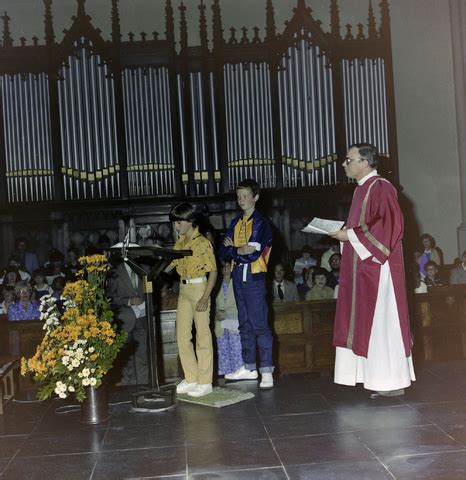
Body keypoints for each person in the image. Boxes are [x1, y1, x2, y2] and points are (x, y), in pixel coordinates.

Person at [329, 143, 415, 398]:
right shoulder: (362, 190)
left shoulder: (381, 187)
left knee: (382, 323)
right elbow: (364, 227)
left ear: (365, 162)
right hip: (364, 267)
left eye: (349, 159)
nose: (345, 164)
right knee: (372, 324)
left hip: (380, 270)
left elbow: (388, 225)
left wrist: (349, 235)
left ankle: (392, 381)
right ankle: (379, 380)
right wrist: (347, 235)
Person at [219, 179, 274, 389]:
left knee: (259, 324)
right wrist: (237, 249)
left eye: (245, 196)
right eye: (238, 196)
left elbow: (253, 253)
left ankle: (266, 370)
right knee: (244, 324)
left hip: (254, 278)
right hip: (237, 278)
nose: (241, 200)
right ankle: (250, 367)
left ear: (255, 197)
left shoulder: (261, 222)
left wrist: (236, 249)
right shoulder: (235, 222)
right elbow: (224, 250)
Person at [165, 202, 217, 397]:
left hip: (199, 288)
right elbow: (171, 264)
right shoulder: (180, 242)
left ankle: (205, 382)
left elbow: (213, 272)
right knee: (182, 336)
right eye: (175, 223)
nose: (176, 226)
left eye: (178, 223)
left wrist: (205, 297)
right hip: (184, 289)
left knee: (203, 336)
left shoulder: (203, 243)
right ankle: (192, 377)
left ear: (190, 221)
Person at [106, 258, 149, 386]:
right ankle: (128, 386)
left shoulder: (144, 269)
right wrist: (128, 301)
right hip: (125, 320)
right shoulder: (114, 272)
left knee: (143, 355)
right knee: (127, 357)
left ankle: (143, 385)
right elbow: (110, 297)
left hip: (142, 318)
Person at [215, 260, 243, 376]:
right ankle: (226, 372)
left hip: (234, 322)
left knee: (236, 349)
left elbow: (241, 305)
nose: (226, 268)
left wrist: (227, 315)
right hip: (220, 324)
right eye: (224, 266)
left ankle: (239, 371)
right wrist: (217, 313)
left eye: (228, 266)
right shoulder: (217, 285)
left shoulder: (238, 283)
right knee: (223, 349)